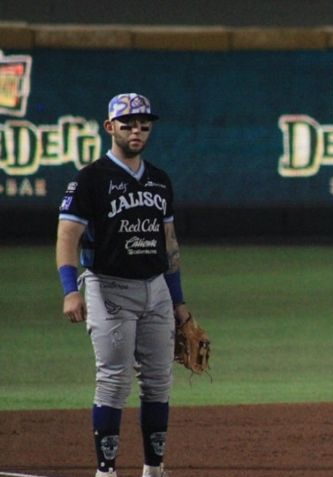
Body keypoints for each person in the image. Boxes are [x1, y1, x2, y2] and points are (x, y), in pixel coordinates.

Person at [56, 93, 191, 477]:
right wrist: (70, 289)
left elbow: (169, 244)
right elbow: (67, 236)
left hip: (157, 289)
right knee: (114, 380)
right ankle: (106, 471)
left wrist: (179, 300)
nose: (137, 131)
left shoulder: (159, 180)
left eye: (144, 125)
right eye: (128, 124)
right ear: (109, 127)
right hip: (109, 288)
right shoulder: (90, 178)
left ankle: (154, 469)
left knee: (159, 381)